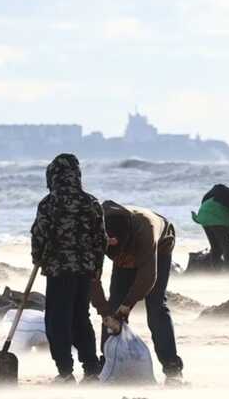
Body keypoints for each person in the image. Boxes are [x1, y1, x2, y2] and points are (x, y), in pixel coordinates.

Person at [31, 153, 106, 383]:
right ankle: (91, 369)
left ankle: (65, 372)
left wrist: (38, 258)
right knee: (80, 317)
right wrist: (96, 267)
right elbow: (100, 238)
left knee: (57, 319)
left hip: (58, 270)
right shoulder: (91, 201)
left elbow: (39, 234)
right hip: (84, 270)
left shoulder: (49, 202)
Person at [91, 201, 184, 384]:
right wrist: (105, 312)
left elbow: (148, 278)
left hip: (160, 246)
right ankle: (107, 364)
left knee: (156, 305)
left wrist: (126, 307)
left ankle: (172, 368)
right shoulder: (94, 231)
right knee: (113, 307)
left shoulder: (146, 229)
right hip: (124, 245)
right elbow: (92, 278)